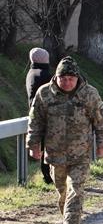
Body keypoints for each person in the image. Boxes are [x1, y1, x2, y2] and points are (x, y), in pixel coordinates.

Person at [27, 57, 103, 224]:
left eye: (71, 79)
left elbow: (102, 121)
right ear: (56, 78)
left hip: (80, 153)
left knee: (76, 187)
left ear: (77, 78)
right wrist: (33, 145)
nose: (67, 82)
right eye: (63, 79)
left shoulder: (89, 94)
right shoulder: (44, 94)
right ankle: (69, 216)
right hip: (55, 153)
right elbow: (35, 122)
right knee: (62, 190)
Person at [25, 47, 53, 184]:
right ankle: (48, 175)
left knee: (44, 145)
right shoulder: (44, 74)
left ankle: (47, 174)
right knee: (48, 145)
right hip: (45, 115)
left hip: (36, 114)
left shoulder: (32, 72)